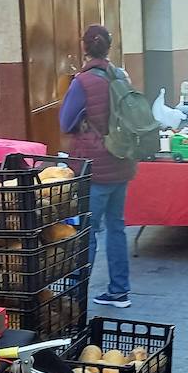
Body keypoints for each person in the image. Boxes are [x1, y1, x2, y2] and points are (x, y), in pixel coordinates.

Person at [59, 24, 136, 308]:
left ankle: (77, 295)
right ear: (109, 47)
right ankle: (119, 291)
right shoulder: (121, 75)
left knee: (87, 231)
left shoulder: (82, 82)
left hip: (95, 168)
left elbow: (66, 122)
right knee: (117, 227)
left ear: (84, 47)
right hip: (121, 163)